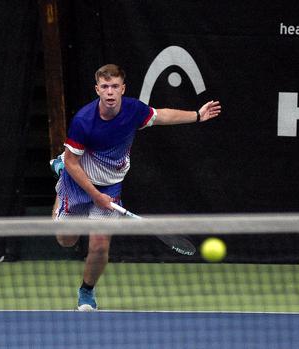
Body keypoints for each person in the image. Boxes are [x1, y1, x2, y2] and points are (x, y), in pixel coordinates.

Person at [51, 64, 221, 311]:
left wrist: (197, 115)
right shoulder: (83, 121)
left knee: (99, 247)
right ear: (97, 89)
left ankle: (86, 292)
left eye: (115, 86)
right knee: (66, 240)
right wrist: (93, 194)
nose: (110, 92)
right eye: (105, 87)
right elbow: (74, 162)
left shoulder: (133, 111)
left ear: (123, 89)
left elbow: (162, 115)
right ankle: (60, 171)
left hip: (110, 185)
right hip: (78, 181)